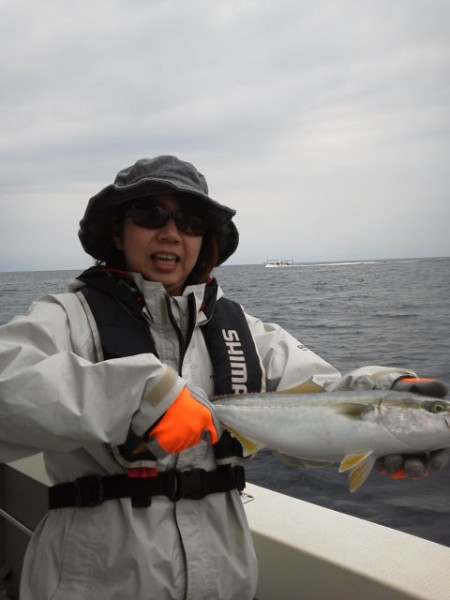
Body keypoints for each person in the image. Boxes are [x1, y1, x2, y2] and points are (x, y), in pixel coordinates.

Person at [0, 154, 448, 600]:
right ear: (118, 230)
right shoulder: (69, 317)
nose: (171, 232)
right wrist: (139, 394)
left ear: (205, 240)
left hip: (224, 584)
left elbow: (325, 396)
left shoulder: (243, 330)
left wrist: (390, 393)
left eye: (191, 221)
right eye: (150, 214)